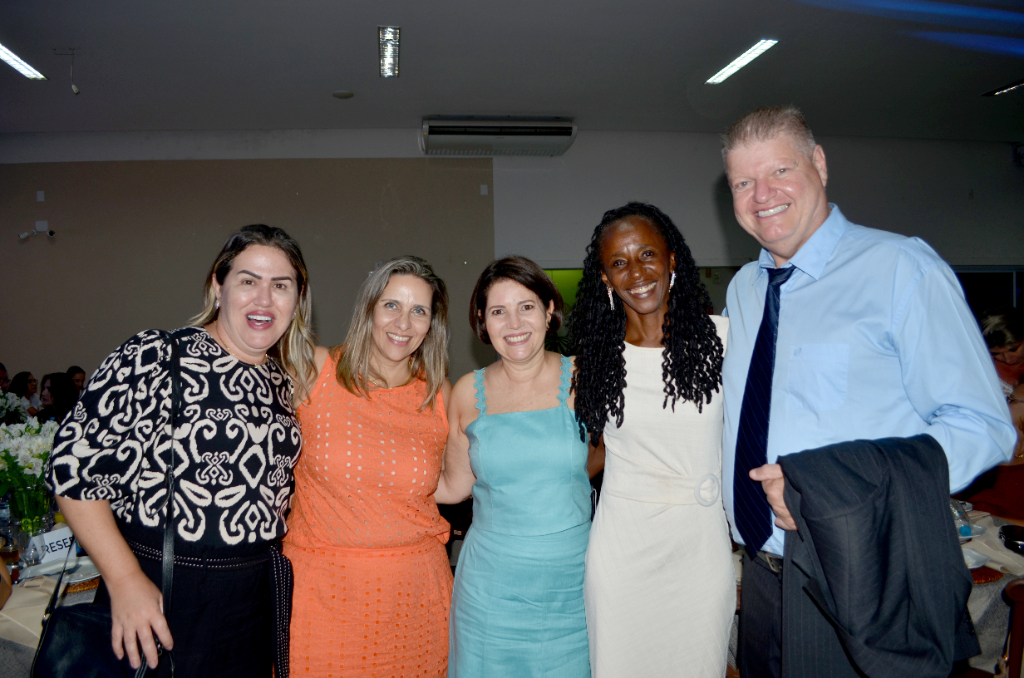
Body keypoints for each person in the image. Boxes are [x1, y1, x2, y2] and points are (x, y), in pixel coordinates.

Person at [719, 106, 1015, 677]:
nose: (763, 194)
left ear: (820, 165)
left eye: (780, 171)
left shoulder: (901, 268)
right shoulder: (744, 289)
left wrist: (830, 482)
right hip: (760, 573)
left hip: (862, 571)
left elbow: (986, 428)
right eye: (743, 182)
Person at [47, 224, 316, 677]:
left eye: (281, 286)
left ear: (298, 300)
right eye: (248, 281)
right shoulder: (156, 355)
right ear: (218, 285)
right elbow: (72, 473)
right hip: (164, 587)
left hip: (250, 601)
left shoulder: (283, 382)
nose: (264, 300)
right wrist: (125, 579)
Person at [569, 202, 733, 677]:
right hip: (623, 548)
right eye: (619, 262)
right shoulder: (595, 360)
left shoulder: (724, 341)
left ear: (672, 260)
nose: (636, 272)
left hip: (700, 548)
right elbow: (592, 454)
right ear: (605, 278)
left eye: (647, 255)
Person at [283, 256, 454, 678]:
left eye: (419, 311)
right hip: (320, 594)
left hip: (417, 599)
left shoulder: (439, 393)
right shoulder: (314, 369)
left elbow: (449, 487)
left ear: (432, 324)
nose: (404, 322)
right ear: (369, 309)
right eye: (391, 305)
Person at [436, 256, 593, 678]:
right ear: (483, 324)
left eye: (526, 306)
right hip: (491, 588)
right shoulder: (468, 392)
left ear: (549, 310)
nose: (513, 322)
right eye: (498, 311)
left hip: (573, 586)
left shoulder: (586, 377)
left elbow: (622, 454)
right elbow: (452, 487)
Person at [955, 309, 1024, 520]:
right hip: (994, 467)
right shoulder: (979, 372)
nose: (1007, 358)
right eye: (996, 353)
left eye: (1013, 349)